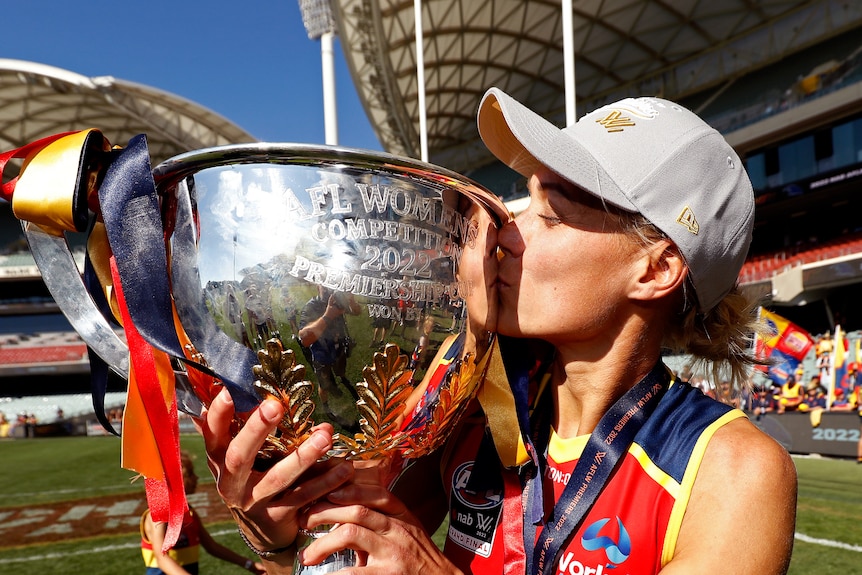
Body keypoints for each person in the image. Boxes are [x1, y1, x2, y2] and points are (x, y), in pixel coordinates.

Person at [197, 89, 797, 574]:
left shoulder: (733, 470)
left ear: (656, 268)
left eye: (552, 215)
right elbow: (355, 555)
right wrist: (285, 535)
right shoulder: (471, 409)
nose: (506, 230)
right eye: (523, 203)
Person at [141, 450, 266, 575]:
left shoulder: (189, 513)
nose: (196, 477)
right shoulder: (158, 516)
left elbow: (212, 547)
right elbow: (162, 558)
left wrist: (249, 564)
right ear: (177, 479)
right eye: (190, 474)